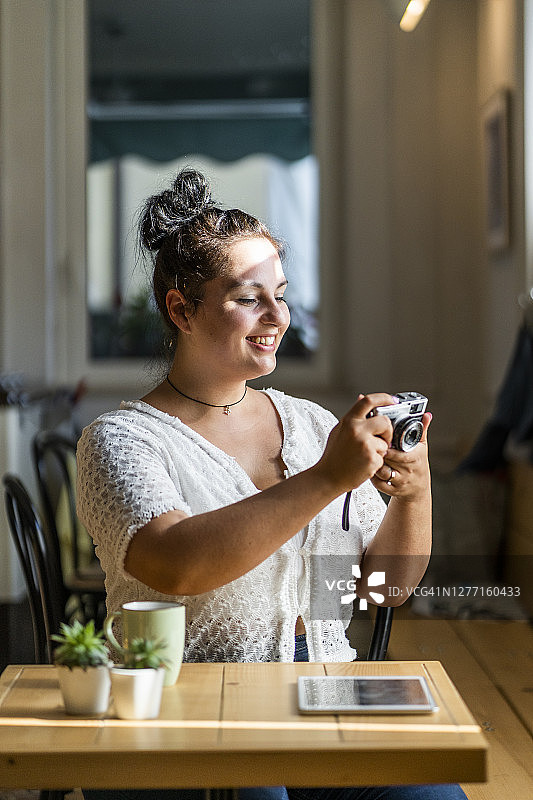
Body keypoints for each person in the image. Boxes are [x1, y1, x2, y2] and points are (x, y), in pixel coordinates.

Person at [77, 169, 467, 800]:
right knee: (259, 794)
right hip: (182, 710)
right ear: (181, 310)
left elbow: (386, 589)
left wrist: (414, 492)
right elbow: (176, 564)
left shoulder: (311, 425)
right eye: (247, 298)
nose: (277, 317)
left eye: (281, 296)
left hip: (324, 701)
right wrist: (327, 478)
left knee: (434, 795)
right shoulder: (121, 440)